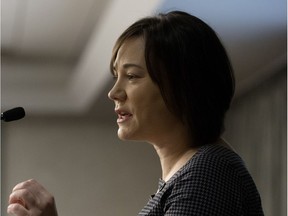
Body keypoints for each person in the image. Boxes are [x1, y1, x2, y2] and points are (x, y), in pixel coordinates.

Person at [7, 11, 264, 216]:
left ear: (184, 85)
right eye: (116, 76)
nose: (114, 93)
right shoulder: (190, 175)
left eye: (131, 76)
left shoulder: (208, 173)